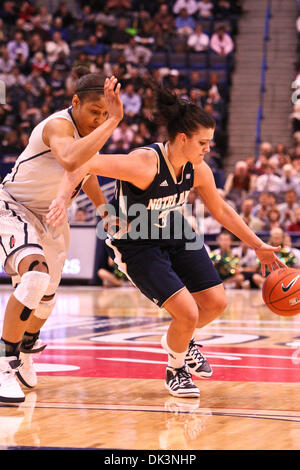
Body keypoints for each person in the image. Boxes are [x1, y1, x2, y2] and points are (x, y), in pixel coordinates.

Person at [47, 83, 286, 399]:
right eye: (203, 142)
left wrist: (257, 245)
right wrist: (66, 200)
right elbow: (84, 163)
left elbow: (222, 210)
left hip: (174, 229)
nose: (207, 149)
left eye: (210, 143)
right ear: (183, 138)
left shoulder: (197, 169)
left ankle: (182, 341)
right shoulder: (143, 164)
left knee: (216, 303)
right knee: (186, 313)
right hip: (137, 240)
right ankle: (176, 368)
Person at [0, 71, 123, 403]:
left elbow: (87, 169)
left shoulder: (94, 132)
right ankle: (2, 364)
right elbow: (70, 158)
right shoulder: (58, 126)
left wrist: (104, 212)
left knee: (47, 299)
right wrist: (114, 120)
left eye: (105, 112)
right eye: (95, 111)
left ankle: (25, 348)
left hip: (53, 217)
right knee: (35, 278)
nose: (99, 119)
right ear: (75, 102)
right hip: (15, 206)